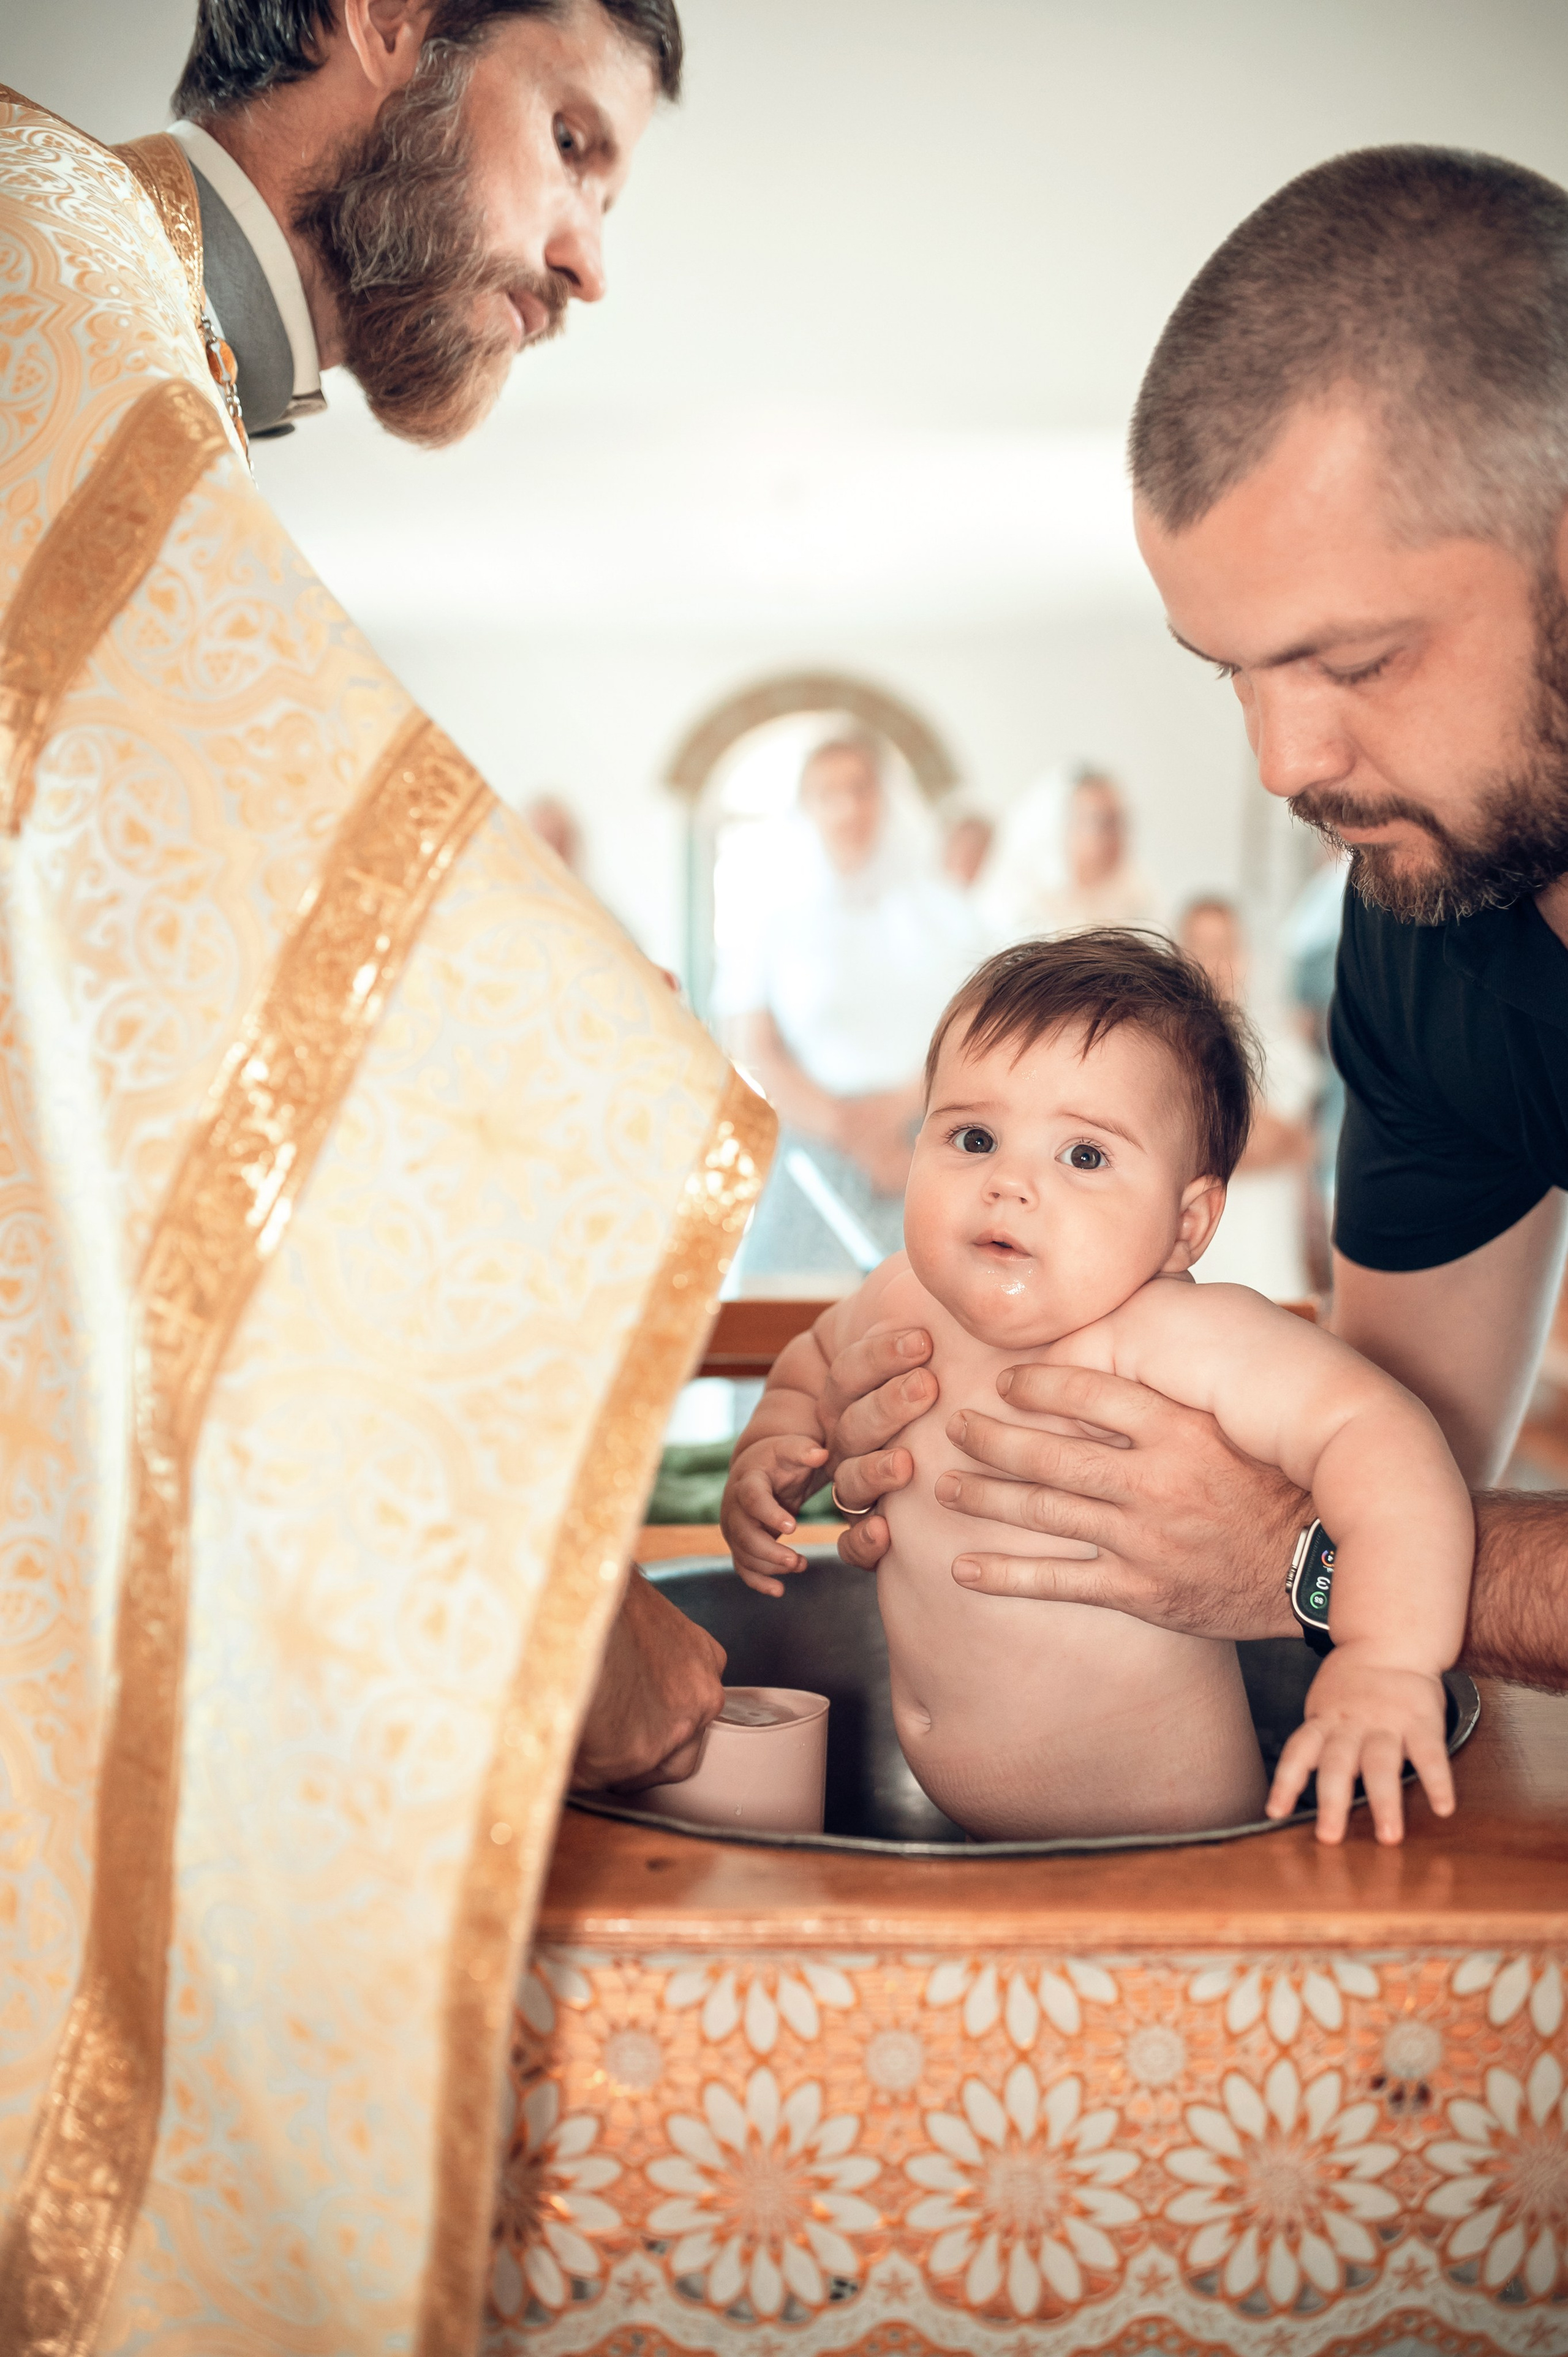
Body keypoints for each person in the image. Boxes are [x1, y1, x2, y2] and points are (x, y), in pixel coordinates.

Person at [0, 6, 756, 2348]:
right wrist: (567, 1612)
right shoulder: (36, 260)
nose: (586, 260)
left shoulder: (116, 342)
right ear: (381, 25)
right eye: (570, 143)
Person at [821, 146, 1568, 1708]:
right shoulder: (1426, 926)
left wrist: (1299, 1561)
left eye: (1350, 662)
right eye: (1225, 669)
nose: (1280, 764)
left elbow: (1313, 1529)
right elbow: (1398, 1441)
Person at [721, 935, 1468, 1844]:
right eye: (973, 1137)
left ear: (1185, 1224)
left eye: (1082, 1156)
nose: (1009, 1184)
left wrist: (1388, 1657)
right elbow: (811, 1364)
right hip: (967, 1836)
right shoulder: (899, 1295)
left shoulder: (1175, 1334)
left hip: (1171, 1854)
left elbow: (1382, 1435)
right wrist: (772, 1456)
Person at [720, 733, 984, 1280]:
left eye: (860, 789)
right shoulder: (770, 916)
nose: (846, 808)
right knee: (792, 1324)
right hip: (814, 1141)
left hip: (925, 1143)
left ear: (884, 798)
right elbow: (756, 1045)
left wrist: (902, 1116)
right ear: (806, 806)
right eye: (827, 792)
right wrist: (850, 1132)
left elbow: (973, 1034)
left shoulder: (944, 912)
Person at [1177, 896, 1321, 1299]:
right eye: (1198, 948)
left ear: (1244, 958)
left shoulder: (1281, 1047)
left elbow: (1269, 1143)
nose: (1211, 962)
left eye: (1222, 948)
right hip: (1193, 1280)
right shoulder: (1157, 1052)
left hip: (1269, 1276)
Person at [985, 764, 1158, 941]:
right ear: (1063, 827)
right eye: (1103, 823)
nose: (1118, 836)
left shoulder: (1137, 888)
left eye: (1121, 822)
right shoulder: (1018, 898)